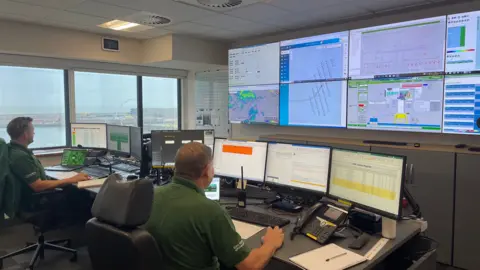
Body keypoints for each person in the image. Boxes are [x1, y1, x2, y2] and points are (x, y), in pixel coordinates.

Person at [146, 142, 284, 270]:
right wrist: (270, 243)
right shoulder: (210, 211)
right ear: (207, 171)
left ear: (175, 168)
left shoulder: (150, 196)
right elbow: (250, 265)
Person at [6, 117, 90, 212]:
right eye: (32, 130)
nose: (34, 133)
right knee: (81, 193)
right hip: (39, 200)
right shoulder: (21, 157)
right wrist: (71, 179)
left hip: (30, 196)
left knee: (72, 188)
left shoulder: (12, 150)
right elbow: (38, 186)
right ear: (25, 134)